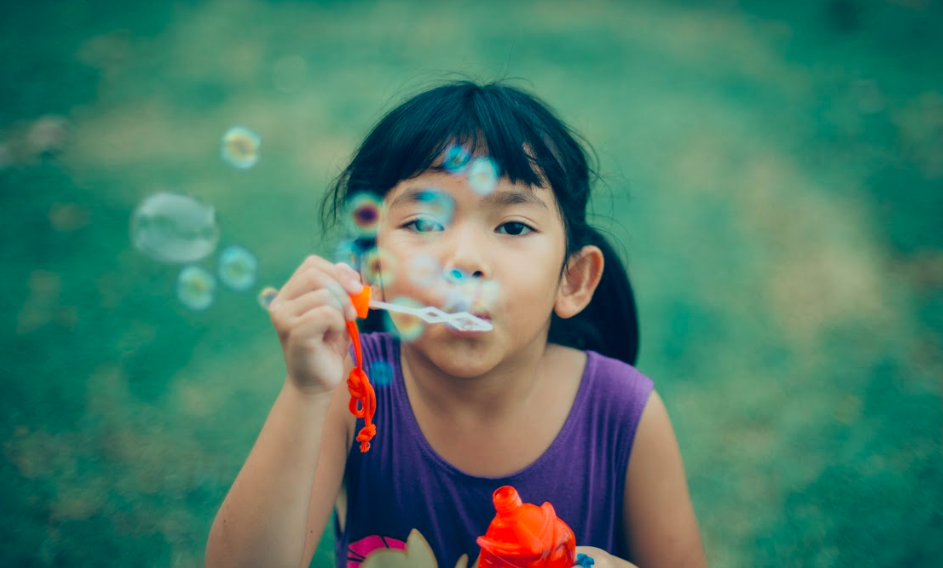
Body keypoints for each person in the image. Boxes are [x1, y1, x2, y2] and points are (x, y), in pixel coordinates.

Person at [205, 80, 707, 568]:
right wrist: (306, 391)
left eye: (513, 226)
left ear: (572, 280)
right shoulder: (350, 392)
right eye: (423, 223)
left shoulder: (624, 415)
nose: (464, 259)